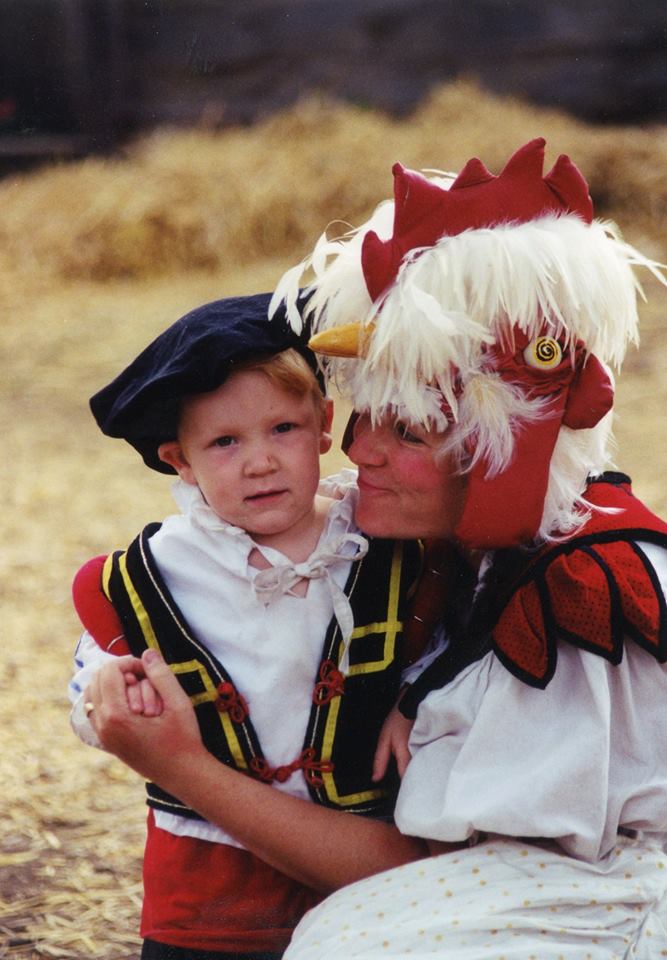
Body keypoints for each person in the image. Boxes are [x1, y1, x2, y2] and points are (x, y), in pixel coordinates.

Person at [83, 138, 667, 958]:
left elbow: (420, 873)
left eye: (411, 431)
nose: (357, 454)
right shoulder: (476, 547)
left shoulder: (580, 593)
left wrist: (179, 766)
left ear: (508, 444)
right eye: (364, 419)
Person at [68, 293, 431, 960]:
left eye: (282, 430)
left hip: (359, 862)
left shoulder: (385, 542)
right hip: (206, 886)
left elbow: (435, 647)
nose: (259, 461)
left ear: (324, 423)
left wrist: (415, 700)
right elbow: (91, 695)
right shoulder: (148, 577)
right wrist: (111, 698)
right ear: (180, 460)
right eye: (225, 442)